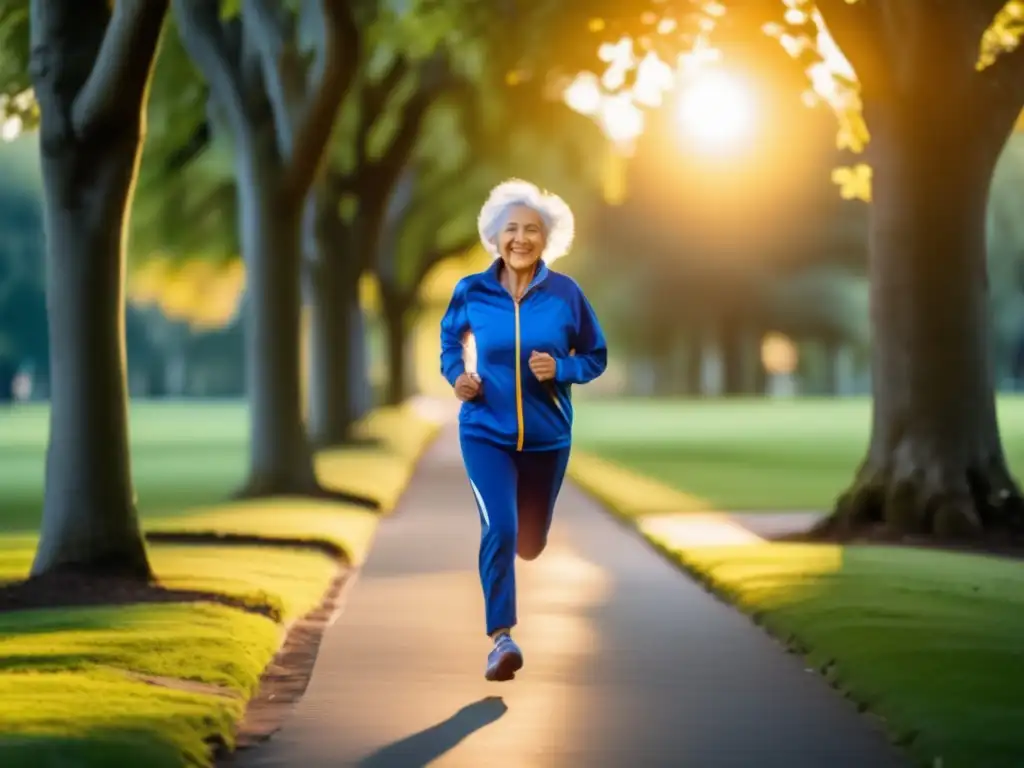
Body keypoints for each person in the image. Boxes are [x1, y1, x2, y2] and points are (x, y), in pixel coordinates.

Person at [439, 179, 608, 681]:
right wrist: (458, 378)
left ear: (546, 238)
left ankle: (523, 547)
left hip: (547, 439)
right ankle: (501, 639)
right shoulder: (472, 290)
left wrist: (561, 369)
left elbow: (594, 355)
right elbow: (450, 341)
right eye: (511, 228)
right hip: (484, 432)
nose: (520, 238)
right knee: (501, 527)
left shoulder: (565, 295)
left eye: (531, 229)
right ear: (495, 236)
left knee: (529, 542)